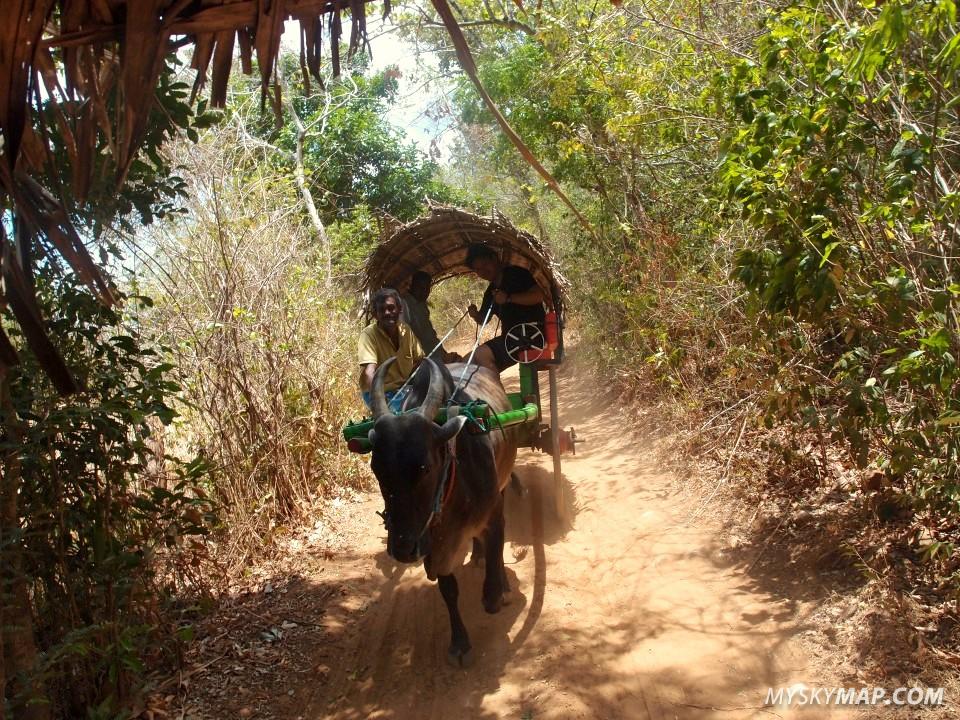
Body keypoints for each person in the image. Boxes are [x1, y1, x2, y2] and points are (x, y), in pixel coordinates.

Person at [464, 243, 545, 373]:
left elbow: (538, 296)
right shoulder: (490, 292)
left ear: (495, 258)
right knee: (466, 362)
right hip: (511, 340)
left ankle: (496, 393)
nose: (483, 271)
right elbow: (483, 319)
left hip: (531, 336)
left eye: (485, 265)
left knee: (481, 355)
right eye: (478, 269)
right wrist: (474, 314)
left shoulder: (518, 274)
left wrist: (509, 298)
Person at [358, 288, 424, 411]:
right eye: (382, 310)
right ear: (375, 314)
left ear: (400, 309)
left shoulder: (406, 331)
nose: (387, 313)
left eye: (391, 308)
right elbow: (369, 373)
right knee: (413, 412)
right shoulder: (368, 335)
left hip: (404, 389)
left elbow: (420, 360)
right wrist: (380, 401)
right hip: (379, 394)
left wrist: (417, 381)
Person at [400, 271, 460, 363]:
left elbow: (430, 333)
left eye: (427, 288)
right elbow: (404, 336)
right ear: (411, 286)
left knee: (458, 361)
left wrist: (443, 353)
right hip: (423, 360)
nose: (424, 291)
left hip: (434, 353)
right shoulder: (404, 304)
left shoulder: (422, 305)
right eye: (420, 287)